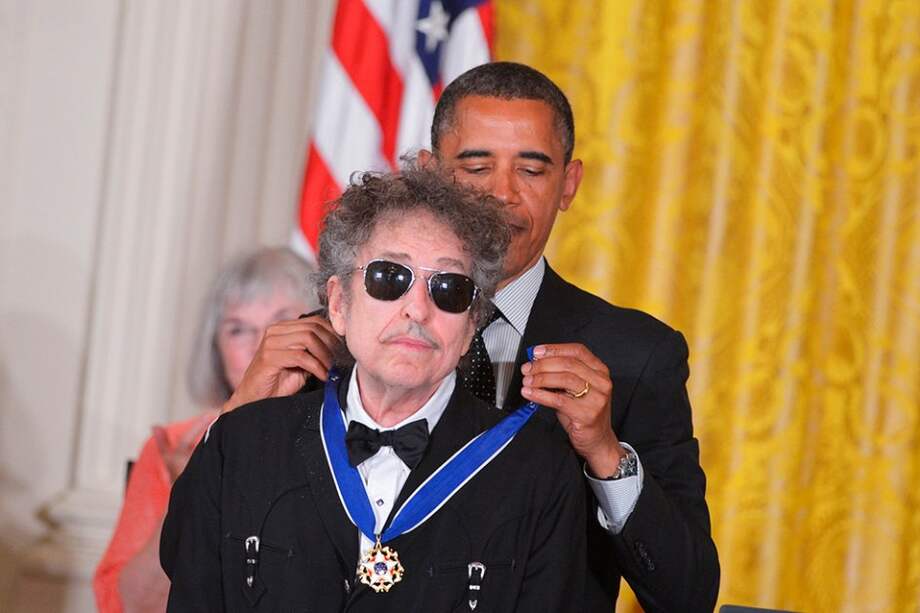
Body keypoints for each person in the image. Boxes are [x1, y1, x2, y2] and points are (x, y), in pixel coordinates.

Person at [226, 62, 720, 612]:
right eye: (476, 167)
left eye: (531, 171)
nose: (501, 195)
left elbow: (688, 595)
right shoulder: (340, 335)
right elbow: (204, 556)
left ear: (569, 184)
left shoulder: (635, 356)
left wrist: (605, 452)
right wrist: (242, 409)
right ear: (433, 173)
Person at [160, 166, 587, 611]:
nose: (417, 310)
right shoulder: (242, 444)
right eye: (390, 278)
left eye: (448, 288)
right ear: (340, 304)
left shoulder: (536, 472)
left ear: (470, 326)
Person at [93, 247, 318, 613]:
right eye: (238, 329)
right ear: (215, 348)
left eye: (282, 323)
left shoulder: (355, 433)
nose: (262, 345)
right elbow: (124, 604)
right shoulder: (175, 445)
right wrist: (196, 485)